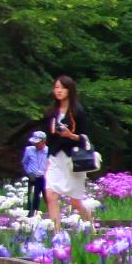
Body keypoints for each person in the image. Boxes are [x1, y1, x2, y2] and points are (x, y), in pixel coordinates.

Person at [44, 74, 97, 228]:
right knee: (50, 195)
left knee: (75, 201)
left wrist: (70, 135)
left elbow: (85, 138)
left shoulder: (78, 111)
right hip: (56, 157)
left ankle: (90, 225)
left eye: (62, 87)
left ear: (69, 90)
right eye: (56, 87)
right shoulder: (51, 112)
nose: (58, 91)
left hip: (73, 159)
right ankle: (56, 233)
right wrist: (47, 158)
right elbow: (49, 138)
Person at [21, 131, 48, 215]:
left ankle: (52, 217)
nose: (35, 144)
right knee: (32, 199)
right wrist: (29, 172)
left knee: (48, 199)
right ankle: (30, 216)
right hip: (33, 177)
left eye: (37, 143)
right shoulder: (29, 150)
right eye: (34, 142)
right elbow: (25, 162)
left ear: (43, 141)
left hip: (45, 178)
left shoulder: (49, 151)